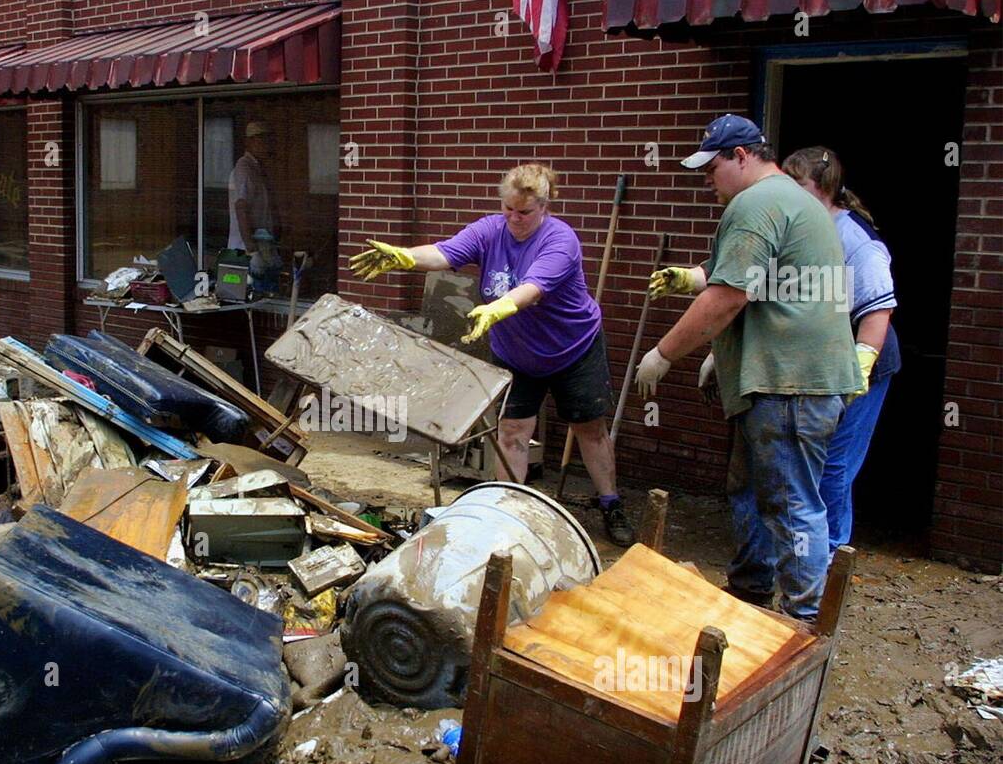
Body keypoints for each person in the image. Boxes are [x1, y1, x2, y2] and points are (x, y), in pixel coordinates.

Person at [634, 115, 862, 621]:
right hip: (790, 378)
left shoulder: (756, 204)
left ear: (741, 157)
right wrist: (722, 353)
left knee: (791, 505)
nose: (707, 182)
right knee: (760, 493)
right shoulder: (796, 201)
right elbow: (770, 287)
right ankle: (751, 592)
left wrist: (664, 353)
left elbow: (729, 296)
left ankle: (806, 625)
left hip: (788, 385)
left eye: (711, 169)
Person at [350, 162, 636, 546]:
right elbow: (444, 253)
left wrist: (499, 307)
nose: (515, 218)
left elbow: (533, 287)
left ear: (544, 207)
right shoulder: (489, 230)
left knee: (588, 427)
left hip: (573, 348)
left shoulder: (561, 240)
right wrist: (405, 256)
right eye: (509, 209)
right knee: (513, 429)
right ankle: (509, 510)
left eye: (525, 212)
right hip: (516, 353)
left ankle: (610, 503)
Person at [782, 146, 900, 553]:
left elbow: (877, 309)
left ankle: (830, 554)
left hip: (862, 360)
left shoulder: (856, 239)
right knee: (811, 461)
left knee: (835, 464)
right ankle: (807, 548)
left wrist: (861, 365)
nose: (787, 191)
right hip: (822, 361)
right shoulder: (798, 227)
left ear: (823, 188)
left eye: (796, 183)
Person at [228, 121, 279, 275]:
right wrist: (252, 250)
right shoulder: (244, 168)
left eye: (267, 140)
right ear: (249, 142)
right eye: (261, 140)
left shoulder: (257, 168)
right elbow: (241, 207)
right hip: (246, 250)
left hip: (263, 243)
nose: (266, 145)